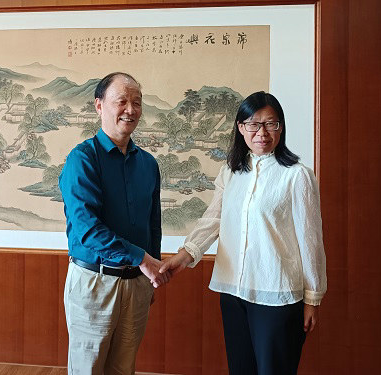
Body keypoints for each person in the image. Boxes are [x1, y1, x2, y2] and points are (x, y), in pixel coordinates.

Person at [160, 91, 327, 375]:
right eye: (253, 124)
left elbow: (311, 241)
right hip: (233, 291)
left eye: (271, 124)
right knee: (240, 369)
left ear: (281, 127)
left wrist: (312, 298)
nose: (262, 132)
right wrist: (185, 255)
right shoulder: (231, 172)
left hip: (276, 294)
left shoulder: (296, 175)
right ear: (240, 127)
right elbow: (214, 219)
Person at [59, 72, 169, 375]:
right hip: (94, 282)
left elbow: (153, 224)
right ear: (99, 105)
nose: (130, 110)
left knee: (124, 368)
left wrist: (150, 269)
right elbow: (87, 228)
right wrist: (142, 259)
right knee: (88, 368)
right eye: (121, 101)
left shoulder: (148, 164)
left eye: (137, 102)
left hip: (137, 283)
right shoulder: (82, 159)